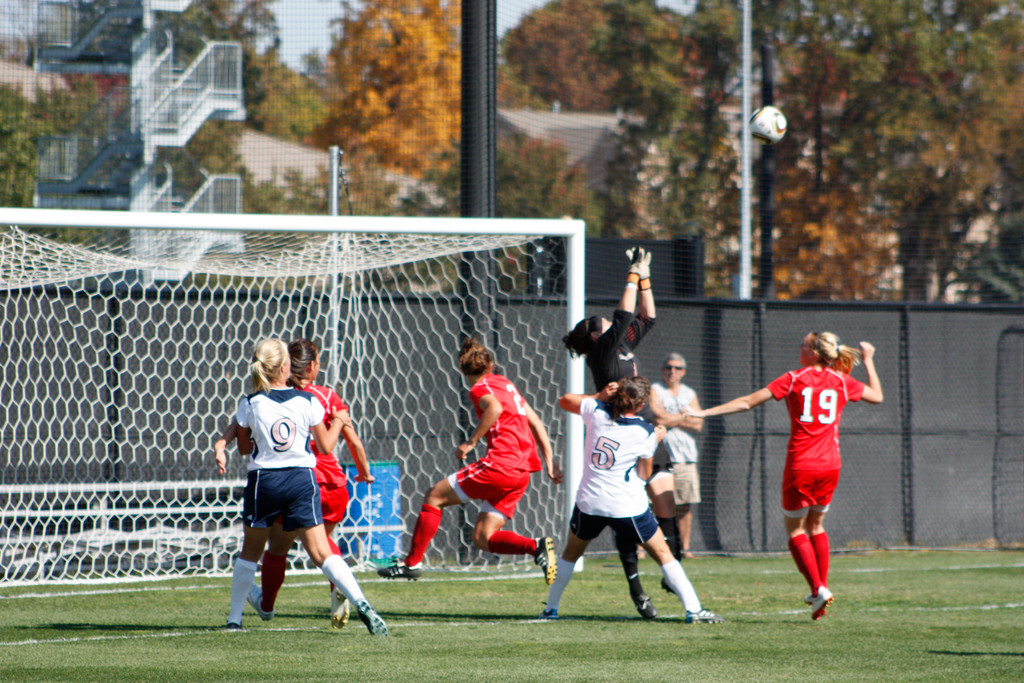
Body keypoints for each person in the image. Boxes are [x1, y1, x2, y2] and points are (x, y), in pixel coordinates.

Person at [686, 332, 882, 620]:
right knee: (816, 526)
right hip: (831, 464)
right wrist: (868, 361)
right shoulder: (841, 380)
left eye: (803, 344)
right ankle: (821, 589)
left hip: (802, 464)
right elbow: (877, 396)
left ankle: (818, 589)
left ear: (814, 353)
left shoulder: (794, 378)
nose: (798, 347)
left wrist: (703, 412)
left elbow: (747, 402)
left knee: (795, 530)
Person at [223, 338, 388, 635]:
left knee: (252, 551)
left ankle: (235, 619)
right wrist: (338, 421)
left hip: (266, 481)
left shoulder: (250, 402)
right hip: (303, 480)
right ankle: (362, 601)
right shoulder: (310, 400)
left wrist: (232, 439)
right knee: (322, 550)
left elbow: (245, 449)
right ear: (285, 367)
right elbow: (325, 445)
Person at [377, 336, 563, 584]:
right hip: (522, 472)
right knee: (483, 537)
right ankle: (536, 546)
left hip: (500, 464)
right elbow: (537, 422)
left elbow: (494, 409)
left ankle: (411, 563)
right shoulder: (506, 384)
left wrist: (471, 442)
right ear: (491, 364)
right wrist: (550, 462)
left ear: (461, 368)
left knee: (434, 496)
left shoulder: (479, 388)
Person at [540, 376, 724, 623]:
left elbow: (565, 400)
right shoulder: (644, 431)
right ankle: (694, 610)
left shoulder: (595, 411)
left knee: (570, 555)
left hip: (589, 502)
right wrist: (657, 438)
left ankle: (551, 609)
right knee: (664, 555)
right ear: (640, 404)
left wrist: (600, 395)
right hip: (626, 505)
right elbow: (645, 474)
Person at [562, 245, 661, 619]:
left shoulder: (618, 346)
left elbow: (646, 316)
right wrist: (632, 274)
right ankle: (646, 587)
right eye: (601, 324)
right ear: (596, 337)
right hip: (618, 435)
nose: (608, 323)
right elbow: (623, 314)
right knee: (628, 517)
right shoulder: (602, 352)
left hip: (637, 431)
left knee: (643, 509)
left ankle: (652, 581)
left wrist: (645, 276)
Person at [649, 353, 704, 562]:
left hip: (686, 457)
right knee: (654, 504)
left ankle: (685, 548)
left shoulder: (689, 393)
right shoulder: (655, 390)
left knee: (684, 505)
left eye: (677, 368)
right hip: (661, 456)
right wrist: (683, 417)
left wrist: (673, 419)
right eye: (668, 367)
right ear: (663, 369)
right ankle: (647, 549)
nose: (672, 372)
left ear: (684, 372)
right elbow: (658, 417)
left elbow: (698, 424)